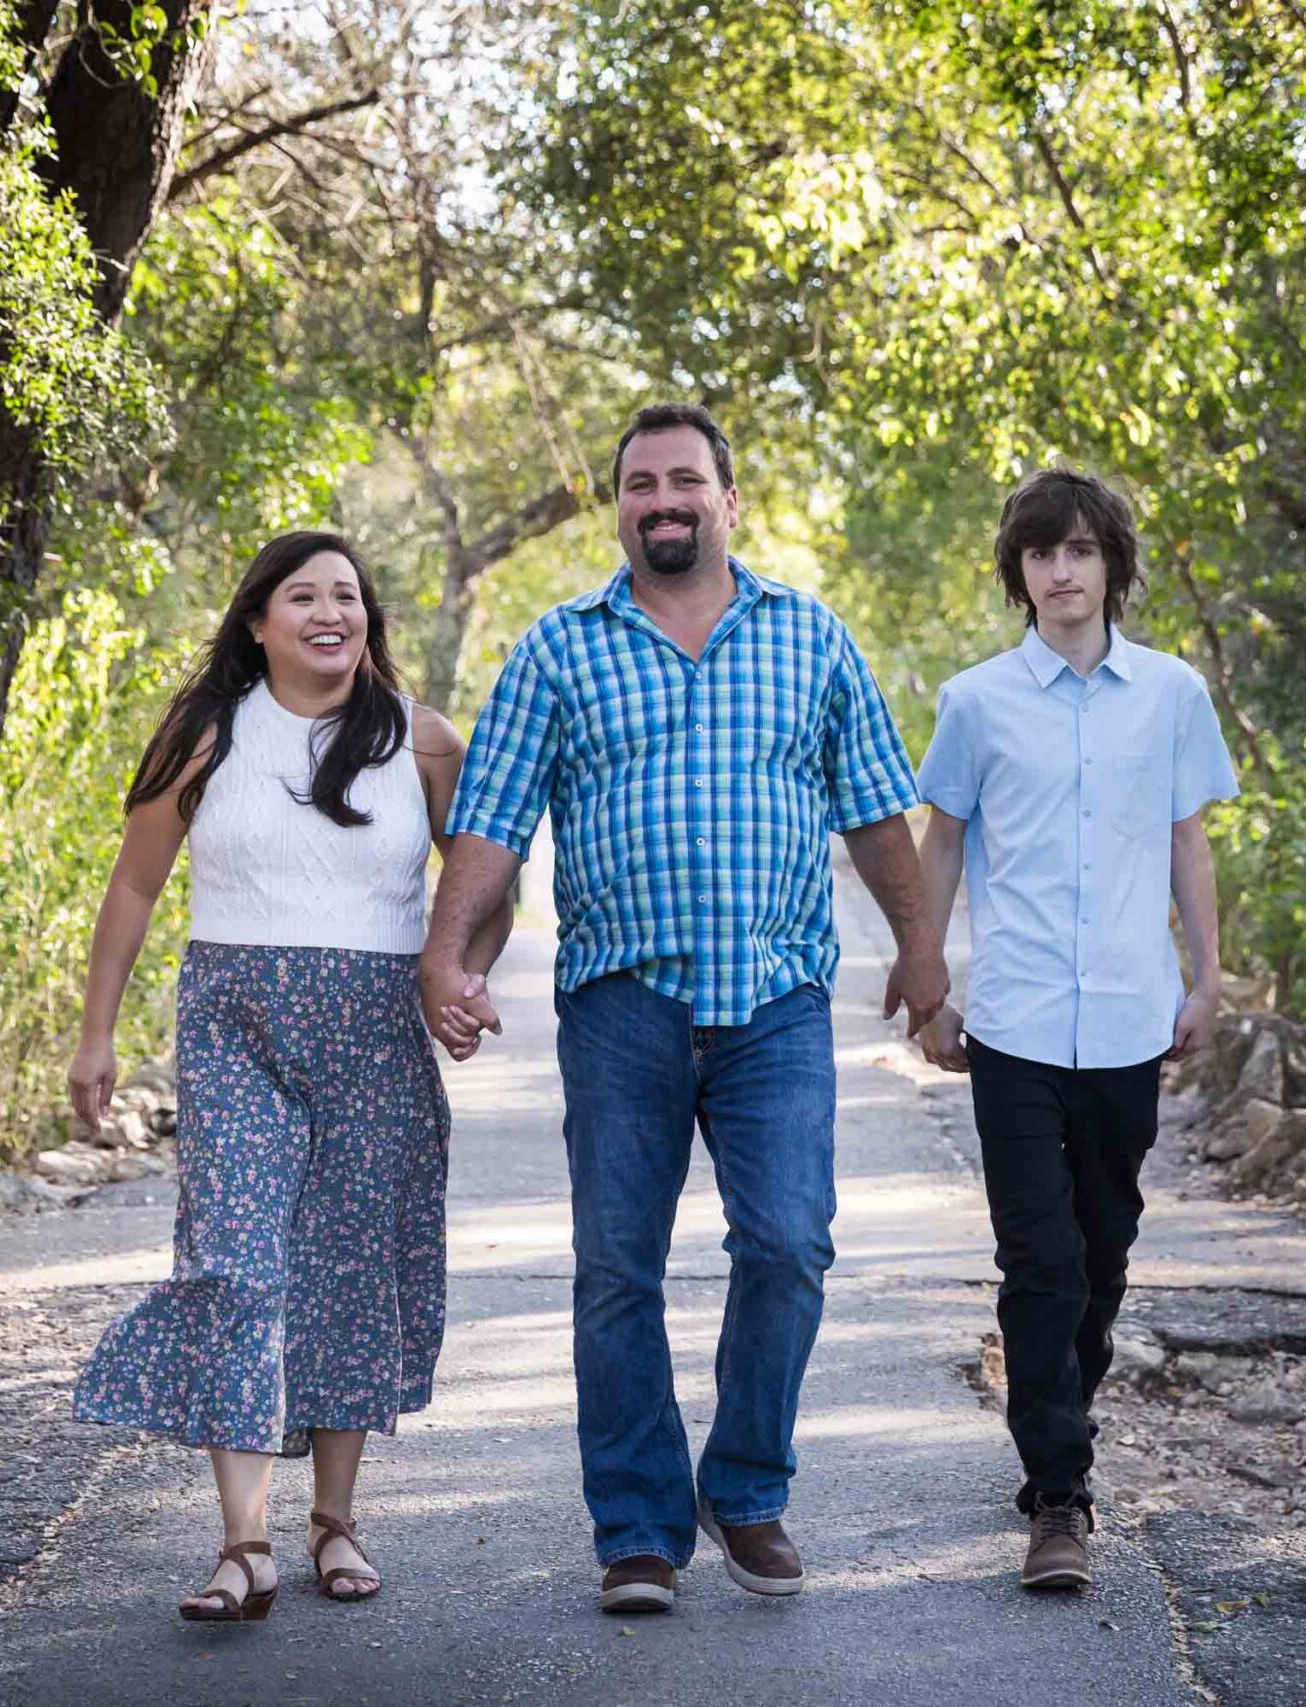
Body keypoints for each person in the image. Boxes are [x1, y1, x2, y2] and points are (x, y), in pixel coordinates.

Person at [419, 403, 945, 1614]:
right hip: (621, 1002)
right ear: (619, 507)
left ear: (727, 500)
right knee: (616, 1270)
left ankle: (747, 1490)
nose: (662, 501)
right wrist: (448, 959)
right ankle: (640, 1528)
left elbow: (874, 814)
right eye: (639, 485)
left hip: (773, 1000)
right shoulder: (559, 647)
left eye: (684, 482)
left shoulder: (810, 638)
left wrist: (920, 951)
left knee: (789, 1243)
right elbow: (491, 823)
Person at [67, 531, 510, 1621]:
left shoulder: (422, 741)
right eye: (302, 596)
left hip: (372, 1036)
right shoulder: (206, 732)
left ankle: (336, 1521)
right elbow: (132, 889)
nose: (330, 613)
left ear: (370, 621)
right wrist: (96, 1035)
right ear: (257, 621)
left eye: (347, 596)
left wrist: (459, 977)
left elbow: (486, 883)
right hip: (236, 1027)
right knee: (236, 1267)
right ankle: (245, 1542)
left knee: (351, 1275)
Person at [910, 468, 1238, 1591]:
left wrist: (1206, 977)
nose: (1062, 571)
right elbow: (940, 843)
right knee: (1041, 1262)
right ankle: (1059, 1494)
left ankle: (1056, 1413)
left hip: (1131, 1023)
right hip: (1014, 1020)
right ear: (1018, 572)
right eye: (1042, 553)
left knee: (1100, 1258)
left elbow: (1187, 839)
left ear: (1111, 567)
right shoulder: (976, 701)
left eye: (1082, 551)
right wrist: (926, 981)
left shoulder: (1171, 693)